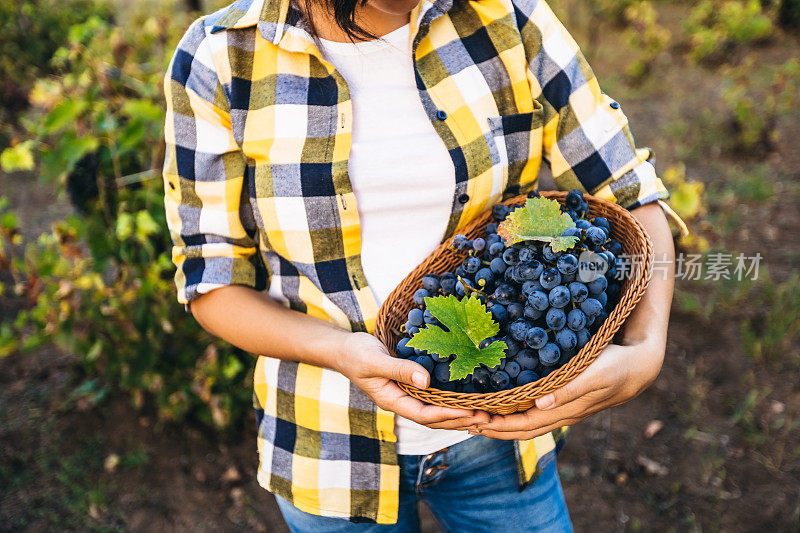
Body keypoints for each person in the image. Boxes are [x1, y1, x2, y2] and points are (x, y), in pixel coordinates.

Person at [162, 0, 683, 530]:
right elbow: (213, 282)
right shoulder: (219, 56)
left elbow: (628, 193)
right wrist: (342, 351)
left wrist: (646, 349)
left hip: (500, 430)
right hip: (329, 449)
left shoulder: (506, 16)